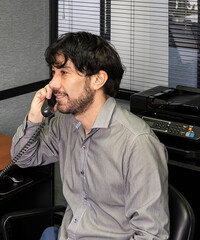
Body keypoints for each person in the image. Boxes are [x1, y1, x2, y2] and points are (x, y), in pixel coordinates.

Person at [11, 32, 169, 240]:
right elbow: (23, 158)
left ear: (98, 80)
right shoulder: (65, 124)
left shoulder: (137, 144)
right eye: (54, 72)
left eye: (64, 73)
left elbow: (151, 236)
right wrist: (35, 117)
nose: (53, 84)